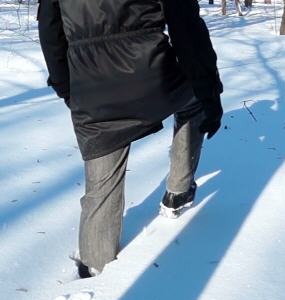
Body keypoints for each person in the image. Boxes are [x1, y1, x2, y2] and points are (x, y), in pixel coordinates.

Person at [37, 0, 223, 278]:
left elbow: (50, 32)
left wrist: (68, 88)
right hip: (152, 76)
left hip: (91, 85)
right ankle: (178, 190)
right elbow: (187, 27)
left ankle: (95, 265)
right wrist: (208, 87)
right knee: (194, 100)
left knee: (101, 176)